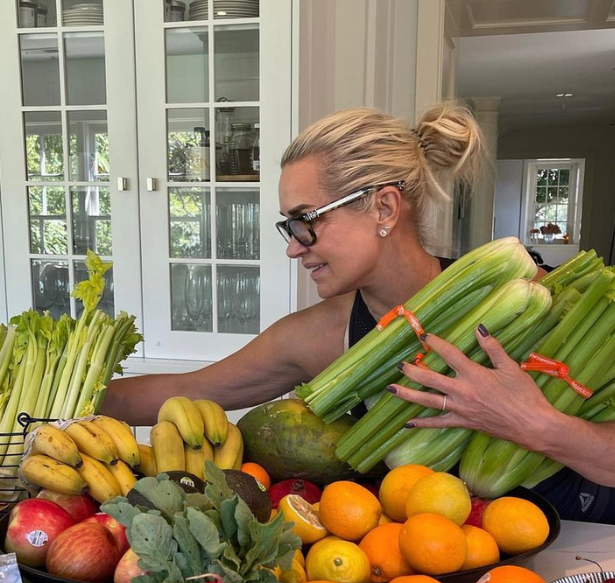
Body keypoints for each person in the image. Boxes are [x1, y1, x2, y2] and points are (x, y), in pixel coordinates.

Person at [101, 103, 615, 522]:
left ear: (384, 209)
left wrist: (537, 424)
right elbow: (186, 394)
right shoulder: (322, 336)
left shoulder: (532, 300)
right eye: (289, 226)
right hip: (422, 572)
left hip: (578, 552)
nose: (294, 247)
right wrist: (45, 399)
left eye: (306, 222)